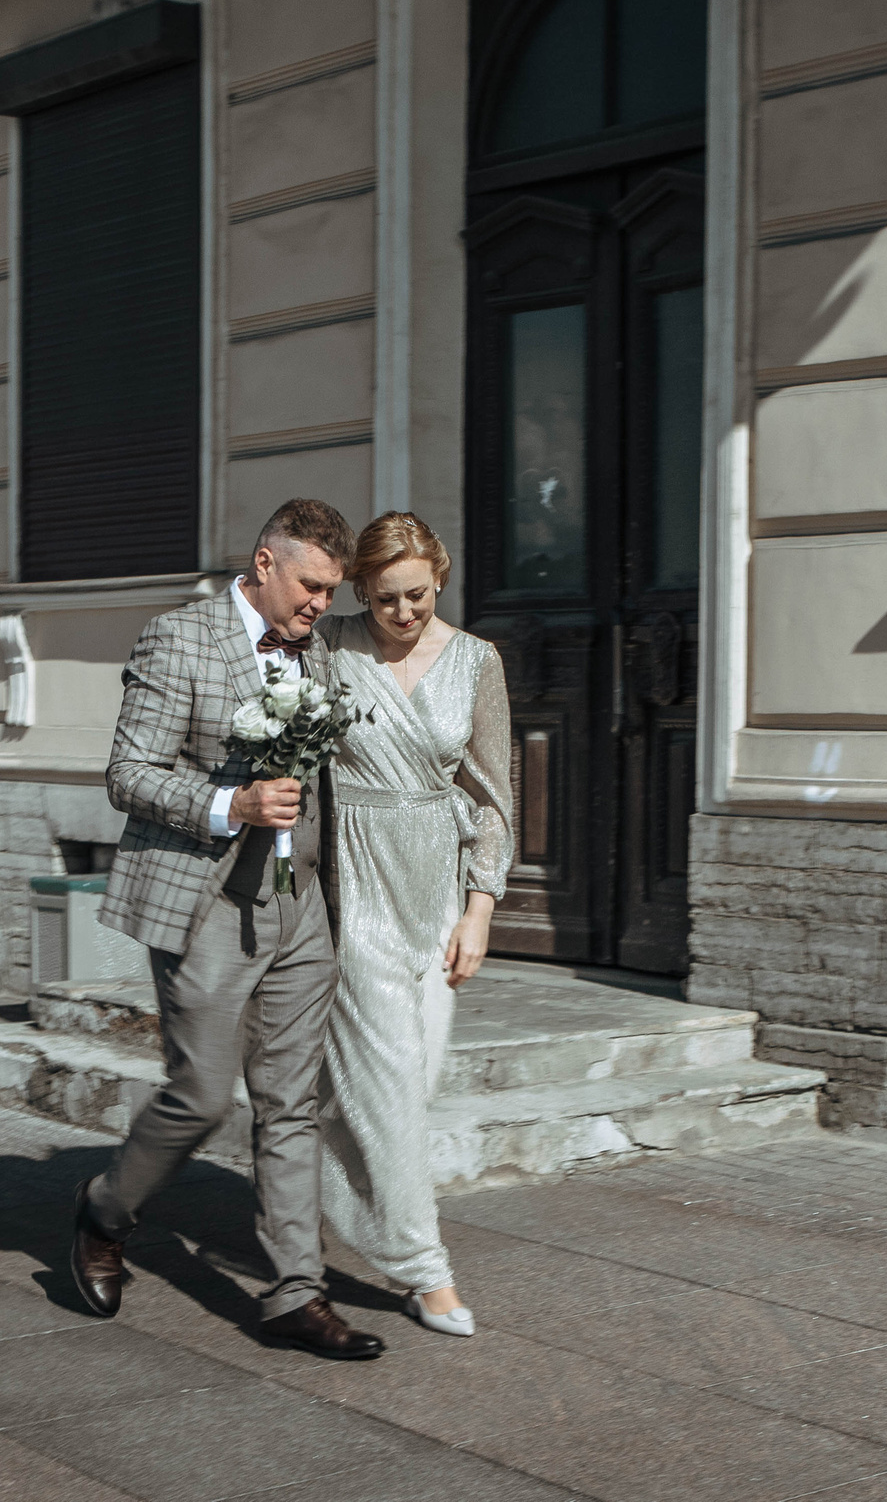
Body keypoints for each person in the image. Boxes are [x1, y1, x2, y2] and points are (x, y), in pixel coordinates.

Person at [68, 498, 387, 1362]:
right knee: (203, 1095)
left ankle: (296, 1294)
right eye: (311, 585)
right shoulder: (178, 638)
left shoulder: (318, 649)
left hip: (301, 905)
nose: (321, 604)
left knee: (291, 1102)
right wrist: (230, 803)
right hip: (208, 901)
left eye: (332, 590)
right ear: (264, 563)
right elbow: (127, 773)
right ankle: (104, 1209)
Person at [315, 511, 515, 1338]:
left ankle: (303, 1177)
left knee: (407, 1082)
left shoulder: (476, 660)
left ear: (441, 579)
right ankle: (425, 1270)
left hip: (434, 890)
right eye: (386, 598)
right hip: (354, 882)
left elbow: (492, 796)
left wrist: (479, 910)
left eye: (418, 596)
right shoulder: (329, 647)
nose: (403, 613)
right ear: (361, 591)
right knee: (391, 1080)